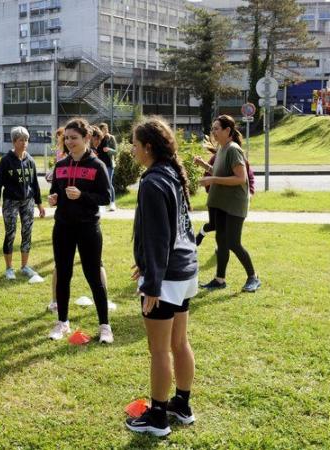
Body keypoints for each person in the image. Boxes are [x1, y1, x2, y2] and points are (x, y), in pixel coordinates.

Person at [125, 116, 198, 438]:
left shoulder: (153, 181)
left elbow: (158, 236)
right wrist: (147, 265)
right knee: (179, 342)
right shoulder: (169, 173)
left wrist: (152, 282)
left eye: (135, 144)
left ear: (149, 147)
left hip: (167, 277)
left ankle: (157, 418)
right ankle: (181, 405)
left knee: (160, 350)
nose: (132, 149)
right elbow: (175, 230)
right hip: (183, 270)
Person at [47, 117, 113, 343]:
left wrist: (83, 196)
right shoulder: (60, 165)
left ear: (86, 138)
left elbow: (106, 197)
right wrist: (53, 198)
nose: (69, 142)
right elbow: (56, 190)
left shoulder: (97, 165)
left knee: (94, 276)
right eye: (67, 138)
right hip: (63, 227)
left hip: (88, 228)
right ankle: (62, 322)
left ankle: (105, 326)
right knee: (63, 274)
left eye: (74, 138)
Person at [200, 115, 261, 293]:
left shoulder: (233, 149)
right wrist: (206, 167)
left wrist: (212, 179)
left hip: (234, 205)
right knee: (221, 241)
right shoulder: (221, 149)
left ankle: (253, 277)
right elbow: (221, 172)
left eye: (217, 129)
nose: (214, 132)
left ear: (228, 131)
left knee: (233, 242)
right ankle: (220, 279)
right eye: (213, 129)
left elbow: (240, 178)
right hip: (220, 203)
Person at [0, 126, 46, 281]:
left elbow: (35, 184)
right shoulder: (6, 161)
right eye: (21, 140)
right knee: (11, 233)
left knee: (27, 233)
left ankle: (24, 266)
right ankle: (9, 268)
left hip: (27, 201)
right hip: (10, 202)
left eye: (26, 140)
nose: (24, 143)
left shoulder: (30, 160)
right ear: (14, 141)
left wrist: (40, 204)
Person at [194, 134, 256, 247]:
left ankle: (223, 248)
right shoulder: (219, 155)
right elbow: (214, 172)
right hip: (218, 199)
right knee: (214, 226)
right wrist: (203, 165)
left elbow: (248, 177)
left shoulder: (237, 155)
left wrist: (250, 192)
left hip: (233, 200)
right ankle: (205, 235)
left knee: (226, 232)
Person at [98, 122, 119, 211]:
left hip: (109, 164)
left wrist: (109, 149)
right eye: (103, 130)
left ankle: (112, 203)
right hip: (99, 164)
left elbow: (116, 151)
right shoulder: (97, 138)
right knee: (99, 184)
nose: (105, 131)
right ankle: (100, 204)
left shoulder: (111, 138)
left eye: (106, 129)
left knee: (109, 183)